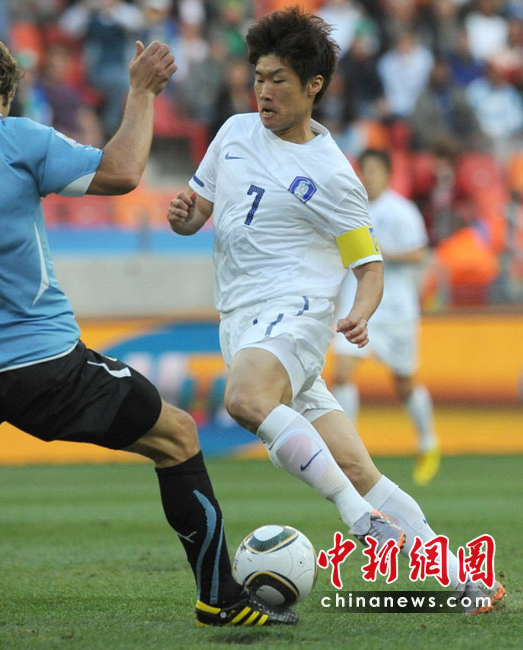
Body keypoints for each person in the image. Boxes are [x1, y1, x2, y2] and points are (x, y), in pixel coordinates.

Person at [0, 34, 297, 627]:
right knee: (177, 437)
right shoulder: (17, 138)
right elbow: (122, 172)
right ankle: (219, 598)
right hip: (43, 366)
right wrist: (142, 92)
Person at [166, 8, 504, 614]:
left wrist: (362, 313)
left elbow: (368, 267)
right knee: (357, 467)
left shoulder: (333, 176)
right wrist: (185, 216)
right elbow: (199, 212)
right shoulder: (234, 133)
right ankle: (468, 581)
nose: (264, 91)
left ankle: (359, 519)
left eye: (279, 80)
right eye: (259, 78)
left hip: (295, 313)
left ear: (313, 85)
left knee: (244, 399)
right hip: (240, 318)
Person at [331, 149, 440, 486]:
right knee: (342, 372)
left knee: (404, 383)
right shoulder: (350, 209)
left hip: (396, 310)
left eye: (375, 170)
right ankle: (348, 454)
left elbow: (420, 253)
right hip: (358, 305)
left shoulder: (401, 211)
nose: (369, 177)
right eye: (365, 170)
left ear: (388, 175)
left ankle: (428, 443)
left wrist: (379, 255)